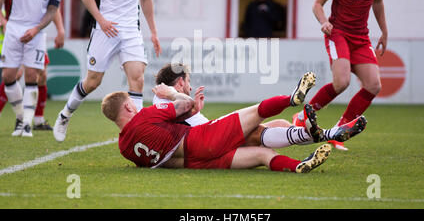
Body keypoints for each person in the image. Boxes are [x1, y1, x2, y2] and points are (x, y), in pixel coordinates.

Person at [101, 72, 368, 173]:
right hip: (202, 141)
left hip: (195, 163)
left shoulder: (124, 148)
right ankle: (292, 98)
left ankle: (301, 164)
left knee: (264, 153)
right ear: (127, 106)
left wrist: (190, 109)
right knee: (258, 117)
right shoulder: (150, 113)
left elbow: (160, 150)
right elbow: (185, 106)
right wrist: (171, 95)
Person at [53, 0, 161, 142]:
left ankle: (139, 135)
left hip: (131, 29)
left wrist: (153, 31)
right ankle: (65, 114)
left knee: (138, 78)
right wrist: (101, 20)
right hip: (106, 29)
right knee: (93, 82)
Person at [294, 0, 387, 151]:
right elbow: (317, 4)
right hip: (338, 34)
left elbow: (377, 2)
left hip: (361, 37)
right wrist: (324, 21)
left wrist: (384, 31)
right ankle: (302, 116)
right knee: (342, 83)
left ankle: (340, 130)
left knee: (374, 85)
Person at [0, 0, 64, 137]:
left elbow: (53, 10)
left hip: (36, 32)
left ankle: (28, 123)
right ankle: (20, 118)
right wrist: (4, 23)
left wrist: (36, 29)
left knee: (33, 76)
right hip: (13, 29)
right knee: (8, 76)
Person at [153, 62, 293, 147]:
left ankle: (302, 130)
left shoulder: (163, 99)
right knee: (263, 126)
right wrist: (171, 93)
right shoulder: (165, 97)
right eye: (188, 81)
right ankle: (293, 107)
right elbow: (185, 102)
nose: (190, 87)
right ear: (181, 82)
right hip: (213, 138)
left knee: (277, 125)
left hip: (213, 132)